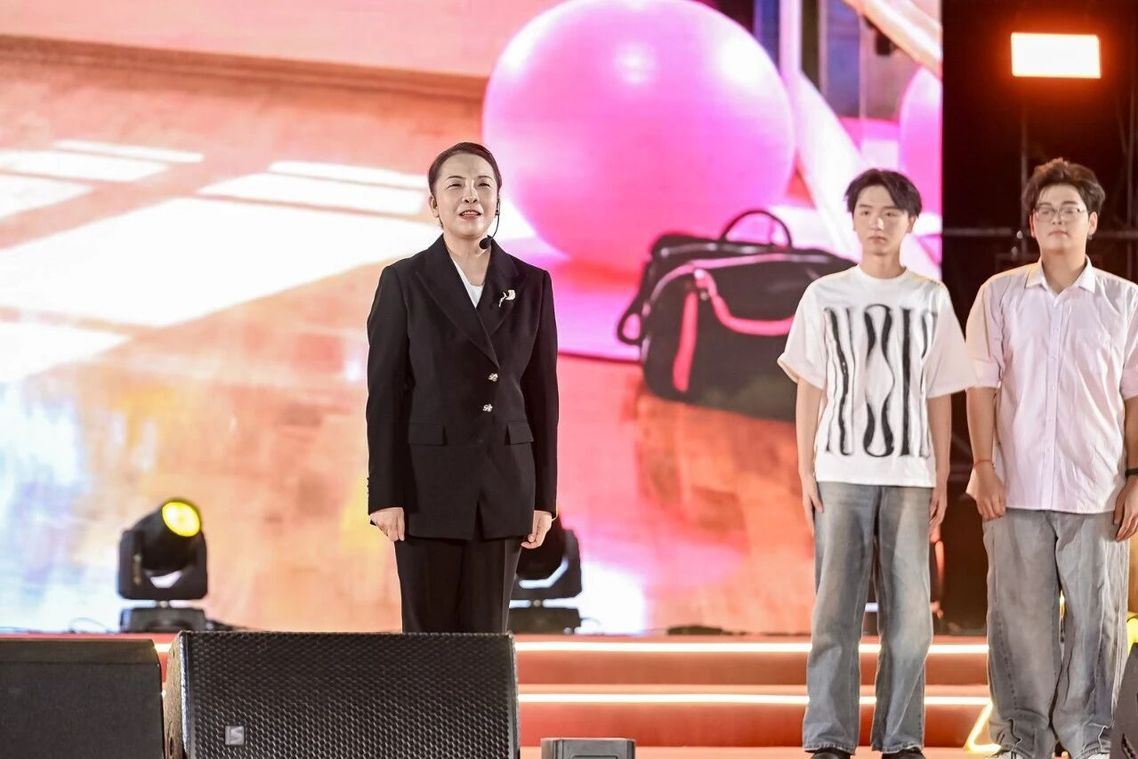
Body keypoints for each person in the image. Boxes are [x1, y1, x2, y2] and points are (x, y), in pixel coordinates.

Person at [779, 169, 974, 759]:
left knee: (911, 621)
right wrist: (805, 468)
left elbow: (940, 391)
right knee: (833, 613)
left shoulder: (930, 297)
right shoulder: (825, 295)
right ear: (853, 220)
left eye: (890, 213)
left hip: (910, 475)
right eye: (866, 212)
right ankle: (829, 737)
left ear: (911, 221)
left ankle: (901, 738)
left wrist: (939, 474)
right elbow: (809, 386)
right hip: (839, 472)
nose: (877, 223)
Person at [965, 158, 1138, 759]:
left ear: (1093, 221)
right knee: (1018, 622)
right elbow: (980, 387)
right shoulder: (999, 295)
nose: (1058, 219)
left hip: (1098, 488)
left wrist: (1135, 478)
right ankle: (1022, 739)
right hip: (1014, 486)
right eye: (1046, 210)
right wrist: (984, 468)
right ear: (1032, 224)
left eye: (1071, 209)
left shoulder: (1125, 301)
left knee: (1098, 622)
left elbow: (1135, 399)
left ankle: (1089, 737)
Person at [365, 141, 558, 633]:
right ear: (434, 203)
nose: (470, 195)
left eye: (482, 184)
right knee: (428, 641)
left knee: (486, 641)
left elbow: (542, 397)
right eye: (456, 185)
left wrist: (543, 498)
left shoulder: (532, 284)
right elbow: (385, 396)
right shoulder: (404, 281)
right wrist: (385, 493)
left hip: (504, 484)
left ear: (497, 200)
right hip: (426, 488)